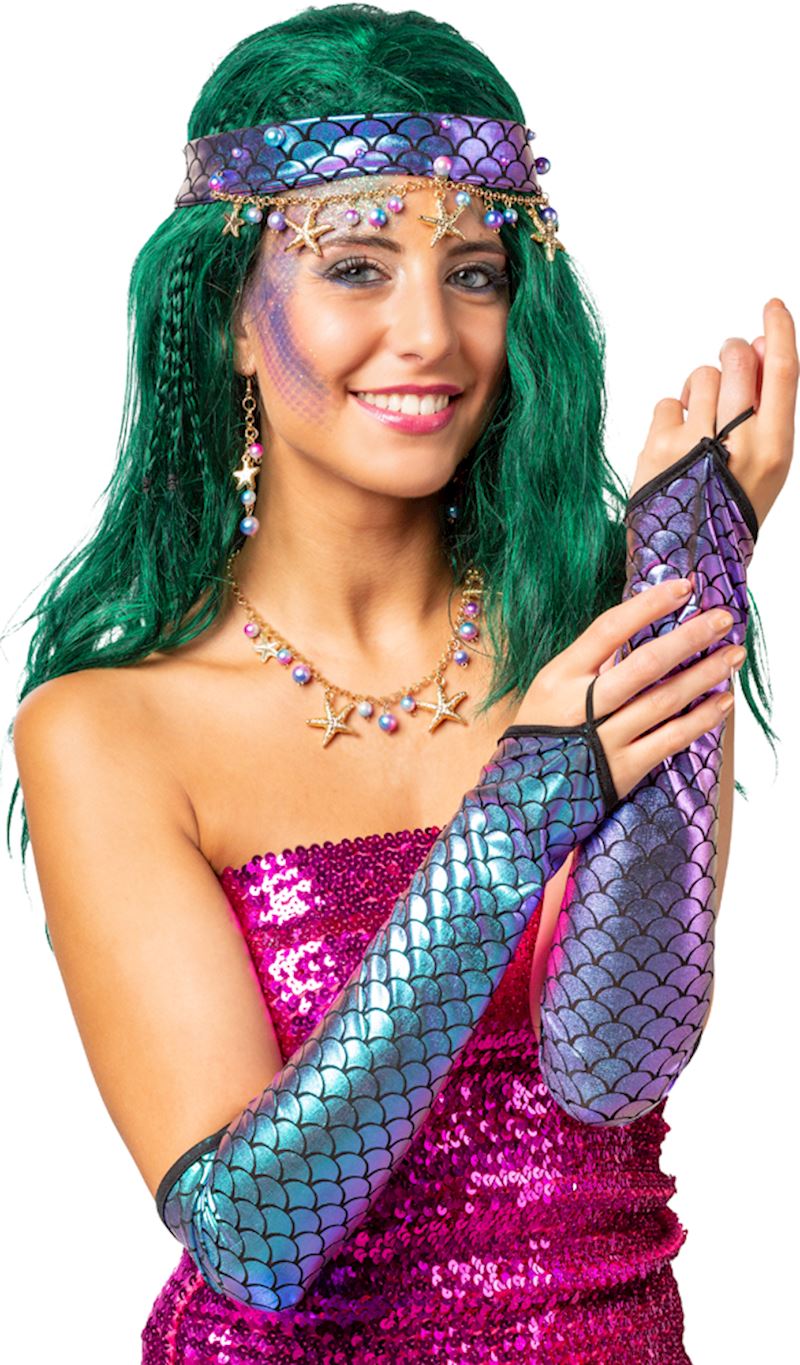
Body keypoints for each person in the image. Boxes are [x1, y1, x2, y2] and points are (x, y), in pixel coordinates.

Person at [6, 5, 796, 1362]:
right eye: (357, 267)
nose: (428, 333)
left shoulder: (589, 636)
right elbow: (256, 1238)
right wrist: (528, 802)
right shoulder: (105, 729)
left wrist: (687, 571)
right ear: (229, 317)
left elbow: (613, 1066)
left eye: (475, 273)